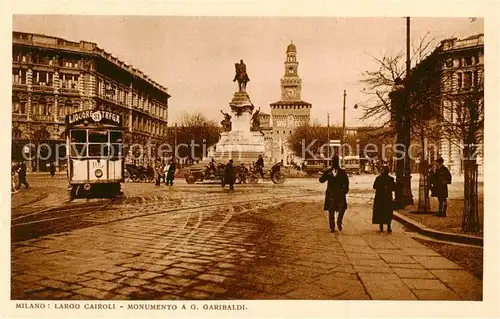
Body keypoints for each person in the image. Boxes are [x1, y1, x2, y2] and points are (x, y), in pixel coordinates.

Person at [319, 155, 349, 232]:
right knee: (331, 211)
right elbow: (321, 180)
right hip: (331, 194)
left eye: (336, 161)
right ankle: (332, 227)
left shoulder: (342, 172)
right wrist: (325, 174)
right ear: (332, 162)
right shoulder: (328, 171)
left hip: (340, 194)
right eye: (333, 161)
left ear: (338, 162)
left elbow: (346, 182)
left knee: (342, 209)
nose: (335, 163)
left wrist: (345, 190)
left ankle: (339, 221)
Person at [372, 165, 396, 233]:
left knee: (381, 212)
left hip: (380, 197)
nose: (381, 171)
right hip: (387, 197)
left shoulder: (378, 178)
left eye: (382, 170)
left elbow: (374, 186)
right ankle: (388, 227)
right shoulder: (390, 179)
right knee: (387, 212)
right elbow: (393, 188)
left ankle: (382, 227)